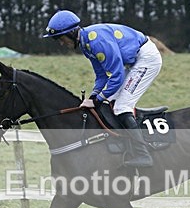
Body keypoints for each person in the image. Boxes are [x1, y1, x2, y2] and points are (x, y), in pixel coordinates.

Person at [42, 9, 161, 168]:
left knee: (122, 106)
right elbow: (102, 76)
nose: (61, 43)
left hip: (146, 59)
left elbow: (117, 75)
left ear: (70, 33)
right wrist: (93, 97)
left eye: (60, 38)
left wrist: (98, 98)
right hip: (133, 61)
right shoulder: (86, 43)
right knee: (108, 102)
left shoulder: (96, 42)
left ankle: (143, 154)